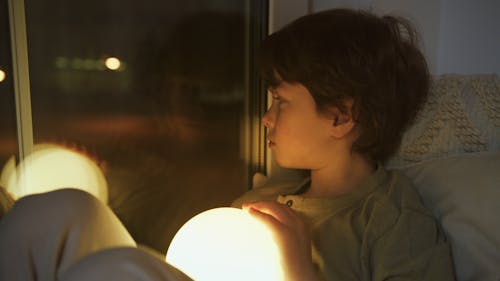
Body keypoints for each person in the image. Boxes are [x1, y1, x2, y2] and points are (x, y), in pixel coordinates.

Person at [231, 8, 456, 281]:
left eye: (281, 101)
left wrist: (300, 270)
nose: (266, 118)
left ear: (340, 117)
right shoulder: (258, 204)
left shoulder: (392, 221)